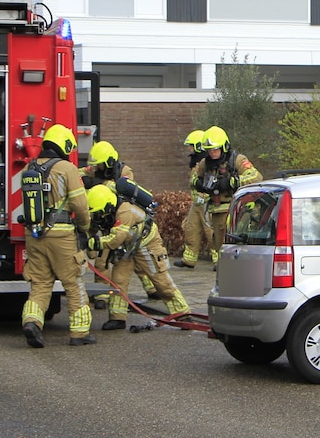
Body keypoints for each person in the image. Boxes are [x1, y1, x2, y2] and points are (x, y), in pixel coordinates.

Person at [20, 123, 94, 347]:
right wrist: (84, 226)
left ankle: (32, 321)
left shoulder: (29, 169)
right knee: (74, 282)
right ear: (65, 145)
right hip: (61, 236)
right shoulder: (67, 168)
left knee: (41, 284)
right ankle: (79, 333)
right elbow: (80, 206)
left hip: (34, 235)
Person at [85, 182, 191, 329]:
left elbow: (115, 239)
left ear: (108, 206)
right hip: (127, 247)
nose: (98, 217)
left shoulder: (124, 211)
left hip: (146, 244)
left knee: (161, 281)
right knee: (118, 280)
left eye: (99, 213)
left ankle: (183, 315)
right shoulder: (105, 211)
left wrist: (93, 243)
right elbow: (94, 228)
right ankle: (117, 318)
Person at [79, 140, 157, 301]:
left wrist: (97, 183)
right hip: (105, 219)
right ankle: (102, 295)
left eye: (99, 165)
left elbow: (121, 191)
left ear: (109, 162)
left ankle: (152, 288)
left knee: (135, 259)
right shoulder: (95, 170)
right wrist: (83, 179)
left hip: (125, 220)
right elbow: (79, 173)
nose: (96, 169)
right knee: (102, 260)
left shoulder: (125, 171)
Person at [189, 126, 261, 269]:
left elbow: (256, 177)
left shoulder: (237, 160)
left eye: (215, 149)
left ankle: (236, 272)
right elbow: (194, 178)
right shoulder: (205, 163)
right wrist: (199, 184)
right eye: (209, 150)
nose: (212, 153)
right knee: (218, 244)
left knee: (235, 244)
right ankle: (228, 274)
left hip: (236, 210)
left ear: (224, 146)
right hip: (216, 210)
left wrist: (231, 182)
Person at [174, 129, 212, 269]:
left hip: (206, 203)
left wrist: (204, 198)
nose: (189, 149)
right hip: (197, 204)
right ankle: (189, 259)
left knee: (210, 231)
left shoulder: (206, 164)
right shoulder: (196, 162)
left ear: (198, 146)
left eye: (191, 145)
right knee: (191, 228)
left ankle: (218, 260)